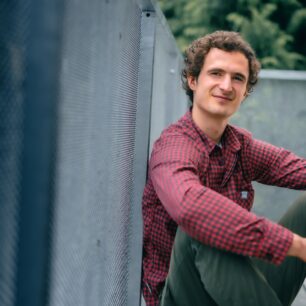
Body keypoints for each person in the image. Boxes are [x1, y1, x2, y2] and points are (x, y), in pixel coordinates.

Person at [141, 30, 306, 306]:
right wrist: (296, 245)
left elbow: (298, 169)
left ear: (245, 92)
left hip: (234, 287)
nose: (226, 85)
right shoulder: (173, 147)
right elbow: (190, 208)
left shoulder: (239, 146)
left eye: (237, 78)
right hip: (183, 295)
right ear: (193, 80)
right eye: (216, 73)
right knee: (203, 224)